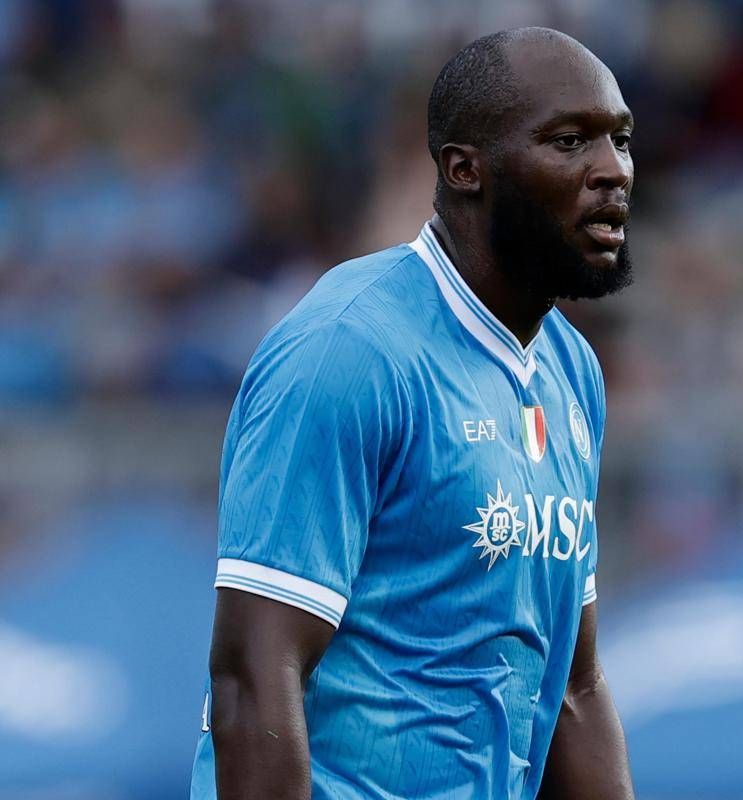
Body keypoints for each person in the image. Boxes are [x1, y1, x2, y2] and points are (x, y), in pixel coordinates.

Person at [188, 27, 636, 800]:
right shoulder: (349, 350)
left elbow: (573, 686)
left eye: (620, 140)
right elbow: (253, 677)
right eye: (569, 142)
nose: (612, 170)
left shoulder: (571, 371)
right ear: (465, 169)